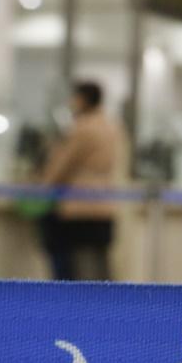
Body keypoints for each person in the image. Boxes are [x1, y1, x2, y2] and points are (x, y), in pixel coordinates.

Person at [41, 81, 124, 281]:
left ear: (83, 99)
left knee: (75, 269)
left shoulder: (82, 128)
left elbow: (61, 165)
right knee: (100, 267)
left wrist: (43, 185)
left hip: (79, 208)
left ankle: (76, 302)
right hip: (104, 205)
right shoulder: (112, 126)